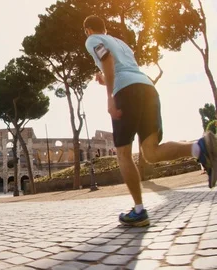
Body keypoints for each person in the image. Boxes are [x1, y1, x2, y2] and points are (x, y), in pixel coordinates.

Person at [83, 15, 217, 227]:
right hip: (147, 88)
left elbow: (107, 59)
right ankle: (199, 148)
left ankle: (138, 211)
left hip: (126, 93)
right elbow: (118, 67)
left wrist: (109, 97)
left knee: (123, 154)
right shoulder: (123, 44)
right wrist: (103, 78)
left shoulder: (91, 40)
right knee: (151, 152)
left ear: (89, 30)